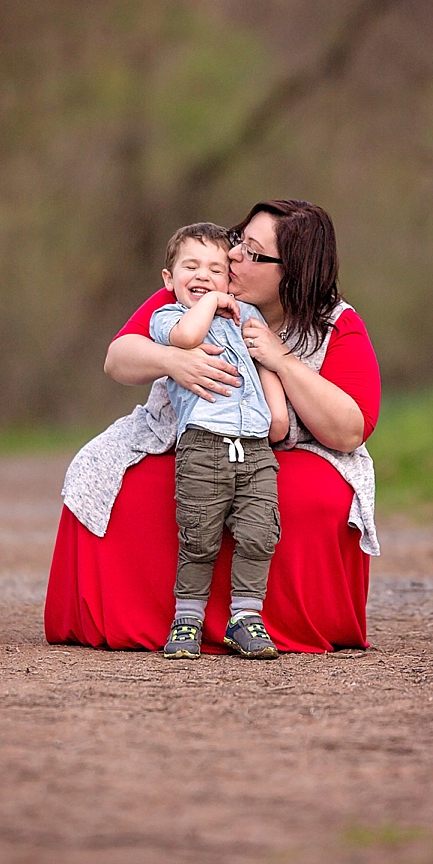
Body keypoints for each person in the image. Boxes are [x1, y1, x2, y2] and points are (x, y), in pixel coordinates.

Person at [45, 199, 381, 654]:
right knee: (116, 481)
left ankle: (257, 619)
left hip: (288, 448)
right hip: (192, 437)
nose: (234, 255)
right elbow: (118, 357)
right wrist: (171, 359)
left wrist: (278, 360)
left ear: (294, 271)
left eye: (253, 252)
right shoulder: (198, 290)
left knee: (312, 498)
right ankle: (173, 621)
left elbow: (348, 431)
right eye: (240, 239)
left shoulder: (335, 324)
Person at [151, 221, 289, 659]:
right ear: (168, 279)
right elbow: (189, 338)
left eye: (215, 269)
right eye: (190, 267)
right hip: (204, 447)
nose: (203, 276)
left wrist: (277, 416)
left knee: (259, 534)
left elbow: (264, 361)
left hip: (254, 448)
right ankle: (187, 620)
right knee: (199, 537)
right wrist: (212, 300)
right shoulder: (168, 317)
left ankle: (246, 618)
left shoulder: (248, 316)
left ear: (231, 277)